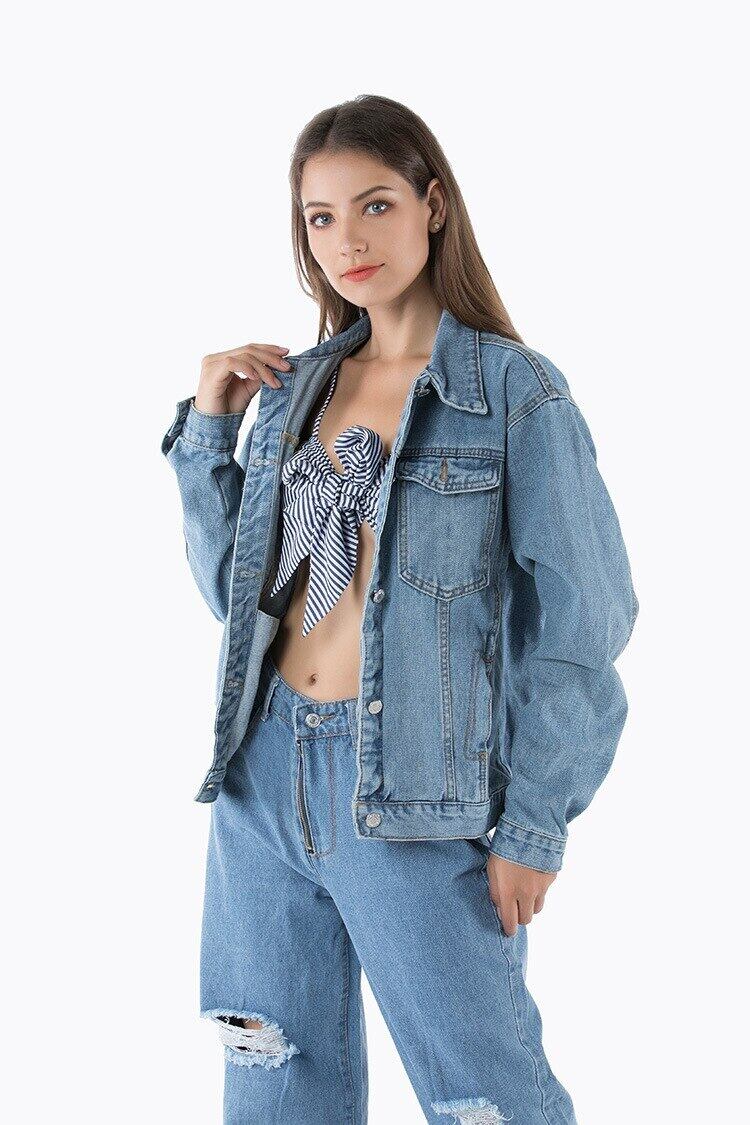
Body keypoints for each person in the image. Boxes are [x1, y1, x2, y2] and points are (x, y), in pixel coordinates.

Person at [161, 94, 638, 1125]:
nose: (348, 241)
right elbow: (240, 599)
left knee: (484, 1098)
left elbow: (584, 628)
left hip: (413, 796)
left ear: (433, 204)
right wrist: (206, 437)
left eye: (374, 205)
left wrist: (535, 826)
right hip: (259, 780)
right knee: (273, 1084)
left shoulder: (514, 395)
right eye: (320, 217)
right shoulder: (295, 391)